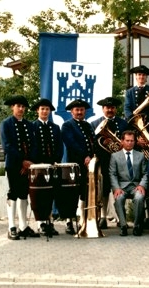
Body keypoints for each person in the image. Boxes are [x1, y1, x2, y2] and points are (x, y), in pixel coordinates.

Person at [0, 95, 36, 240]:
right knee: (13, 193)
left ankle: (23, 226)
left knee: (24, 194)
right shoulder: (6, 124)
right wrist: (22, 161)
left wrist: (29, 162)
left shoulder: (29, 125)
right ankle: (11, 227)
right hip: (14, 165)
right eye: (18, 106)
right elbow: (7, 145)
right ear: (12, 107)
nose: (21, 109)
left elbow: (34, 145)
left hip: (27, 165)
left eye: (23, 106)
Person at [91, 96, 128, 230]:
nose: (110, 110)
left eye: (112, 108)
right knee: (104, 189)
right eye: (107, 108)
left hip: (120, 160)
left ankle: (120, 217)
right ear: (103, 109)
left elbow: (128, 140)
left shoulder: (123, 124)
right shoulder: (95, 124)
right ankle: (103, 217)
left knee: (120, 187)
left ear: (115, 109)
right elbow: (93, 143)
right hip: (104, 160)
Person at [60, 98, 95, 235]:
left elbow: (92, 142)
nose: (79, 112)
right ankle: (69, 222)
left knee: (84, 193)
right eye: (77, 110)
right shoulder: (67, 125)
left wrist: (92, 156)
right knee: (71, 194)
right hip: (73, 165)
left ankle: (82, 220)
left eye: (81, 110)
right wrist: (84, 156)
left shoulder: (88, 125)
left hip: (88, 165)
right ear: (72, 112)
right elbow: (71, 144)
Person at [29, 98, 63, 236]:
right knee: (39, 195)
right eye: (42, 109)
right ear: (38, 111)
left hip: (52, 165)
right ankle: (40, 223)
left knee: (51, 194)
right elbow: (32, 147)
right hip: (38, 166)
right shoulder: (32, 126)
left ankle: (49, 222)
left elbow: (59, 147)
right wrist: (36, 162)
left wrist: (56, 160)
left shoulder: (55, 127)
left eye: (47, 109)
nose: (45, 111)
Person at [109, 130, 148, 236]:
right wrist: (116, 188)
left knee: (139, 198)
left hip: (136, 186)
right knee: (119, 198)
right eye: (127, 140)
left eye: (132, 141)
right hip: (121, 186)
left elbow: (145, 173)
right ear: (122, 141)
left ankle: (137, 226)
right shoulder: (115, 156)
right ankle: (123, 225)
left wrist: (142, 185)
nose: (129, 143)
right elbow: (112, 174)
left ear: (135, 142)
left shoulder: (140, 155)